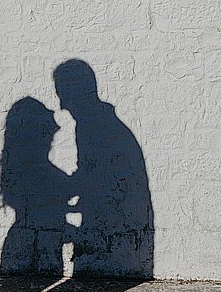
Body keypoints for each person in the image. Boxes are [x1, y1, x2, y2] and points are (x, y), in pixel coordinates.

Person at [53, 60, 154, 277]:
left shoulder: (93, 126)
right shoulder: (96, 123)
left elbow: (98, 181)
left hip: (116, 241)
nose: (62, 105)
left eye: (63, 94)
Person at [0, 96, 70, 274]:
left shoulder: (14, 169)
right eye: (47, 129)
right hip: (35, 250)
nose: (55, 131)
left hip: (30, 246)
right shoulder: (45, 174)